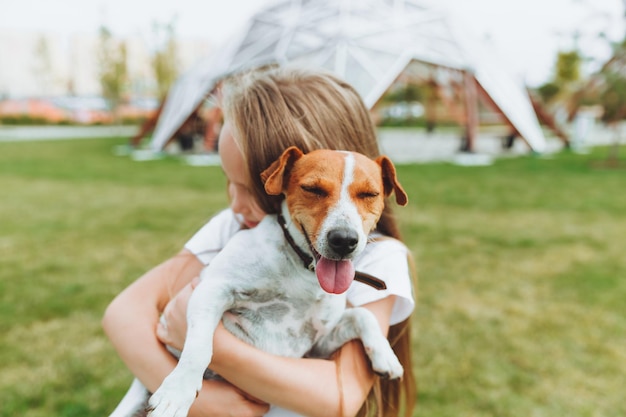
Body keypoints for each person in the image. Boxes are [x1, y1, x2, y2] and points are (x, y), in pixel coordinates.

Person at [103, 66, 417, 417]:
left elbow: (339, 396)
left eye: (250, 189)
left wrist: (218, 352)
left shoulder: (380, 258)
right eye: (228, 182)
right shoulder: (234, 226)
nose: (236, 205)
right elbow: (123, 313)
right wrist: (196, 394)